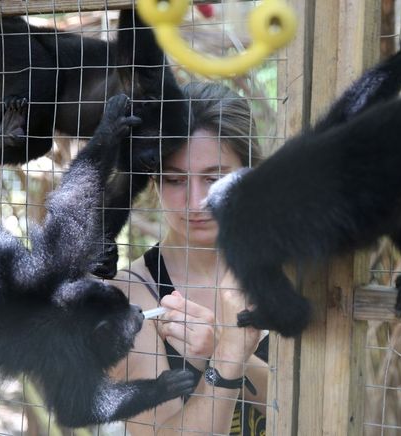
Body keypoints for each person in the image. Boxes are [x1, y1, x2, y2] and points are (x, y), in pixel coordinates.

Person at [109, 82, 267, 435]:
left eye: (214, 177)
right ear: (153, 180)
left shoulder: (290, 268)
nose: (197, 202)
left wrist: (222, 349)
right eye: (175, 180)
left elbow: (314, 407)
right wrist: (226, 358)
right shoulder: (132, 297)